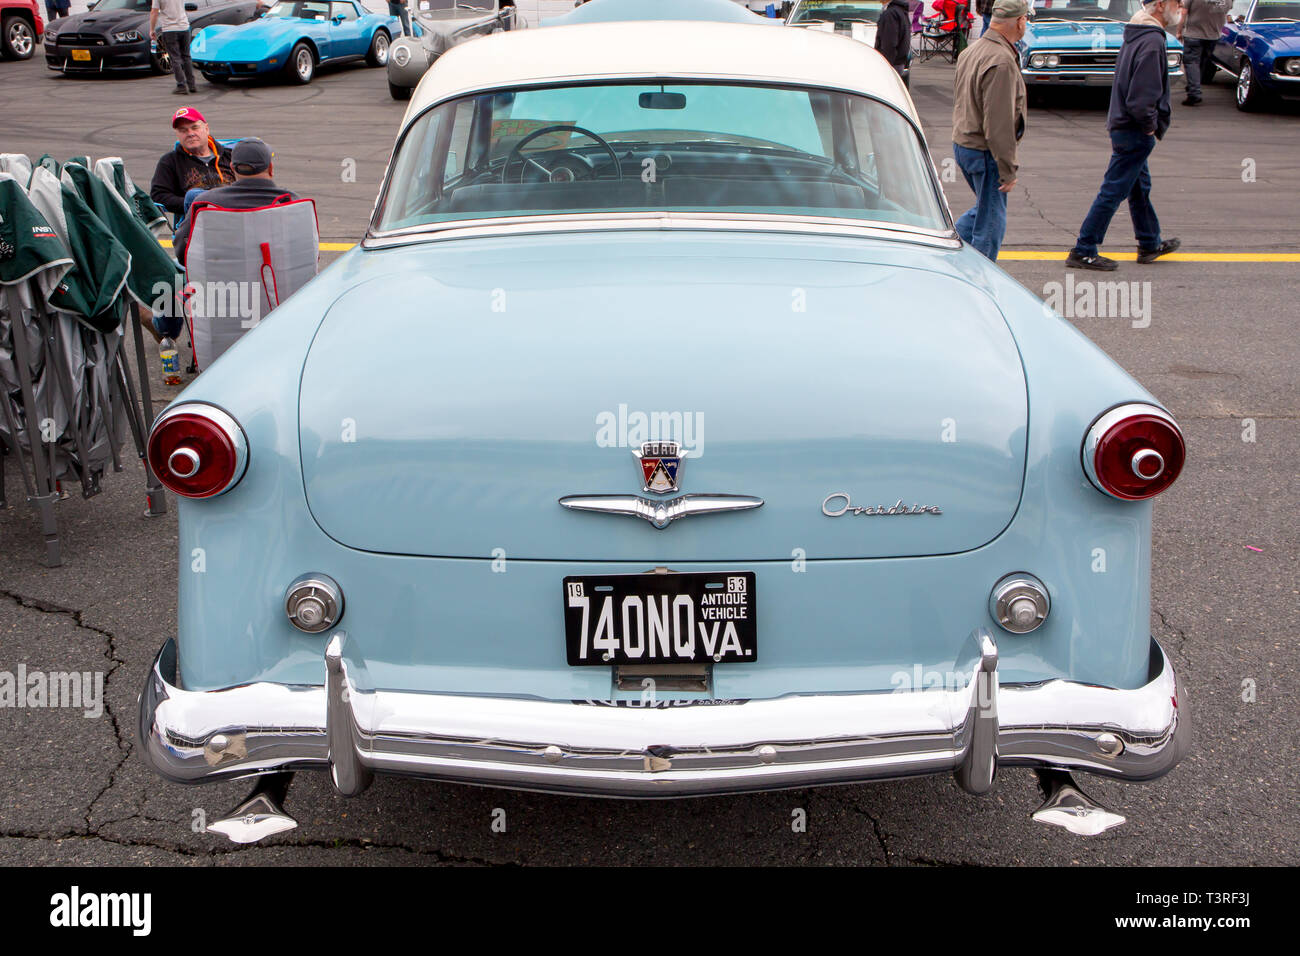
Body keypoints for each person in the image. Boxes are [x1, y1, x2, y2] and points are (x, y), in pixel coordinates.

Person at [1066, 0, 1184, 270]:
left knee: (1139, 188)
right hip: (1134, 129)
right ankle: (1083, 249)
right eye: (1177, 2)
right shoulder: (1153, 41)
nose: (1181, 7)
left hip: (1124, 125)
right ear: (1161, 5)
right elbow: (1141, 98)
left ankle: (1149, 242)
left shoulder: (1138, 33)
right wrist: (1150, 125)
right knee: (1113, 190)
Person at [950, 0, 1029, 261]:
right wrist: (1008, 169)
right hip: (985, 151)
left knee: (984, 210)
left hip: (964, 143)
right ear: (1019, 21)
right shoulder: (1001, 61)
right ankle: (981, 281)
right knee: (991, 224)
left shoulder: (972, 51)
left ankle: (947, 253)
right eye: (1026, 19)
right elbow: (999, 124)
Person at [172, 138, 302, 267]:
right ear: (270, 168)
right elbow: (305, 252)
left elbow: (183, 253)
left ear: (232, 168)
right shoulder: (292, 202)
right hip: (278, 284)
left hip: (221, 284)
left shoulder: (206, 203)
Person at [150, 107, 235, 222]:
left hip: (234, 215)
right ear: (177, 134)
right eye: (183, 130)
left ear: (206, 128)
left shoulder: (231, 156)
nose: (190, 134)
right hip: (196, 222)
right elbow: (159, 196)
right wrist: (193, 204)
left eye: (195, 127)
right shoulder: (170, 161)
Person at [1181, 0, 1230, 105]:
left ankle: (1194, 92)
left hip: (1193, 34)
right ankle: (1194, 84)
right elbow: (1228, 11)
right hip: (1213, 36)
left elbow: (1183, 12)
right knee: (1202, 61)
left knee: (1191, 62)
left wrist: (1179, 30)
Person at [149, 0, 196, 95]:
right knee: (186, 56)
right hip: (184, 27)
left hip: (169, 29)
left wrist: (152, 29)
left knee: (175, 58)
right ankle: (192, 84)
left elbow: (154, 12)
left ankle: (181, 86)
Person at [875, 0, 913, 84]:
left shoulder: (890, 14)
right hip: (898, 64)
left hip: (891, 64)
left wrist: (886, 65)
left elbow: (889, 43)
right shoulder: (900, 11)